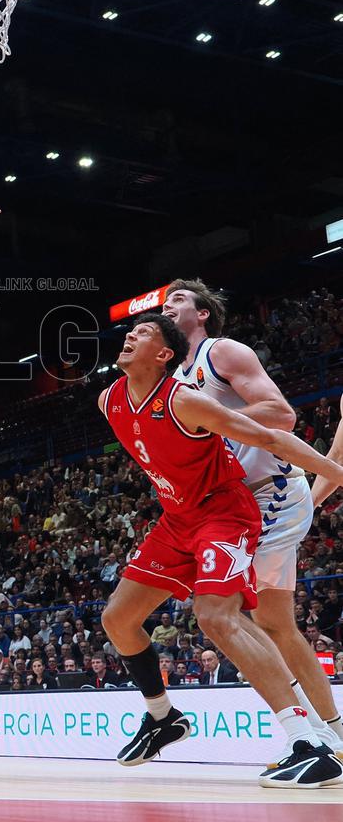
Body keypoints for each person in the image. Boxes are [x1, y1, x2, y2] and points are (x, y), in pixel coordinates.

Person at [99, 313, 343, 787]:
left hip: (224, 513)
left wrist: (337, 476)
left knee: (216, 615)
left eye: (144, 332)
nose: (130, 334)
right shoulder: (108, 400)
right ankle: (162, 718)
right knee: (118, 619)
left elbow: (272, 435)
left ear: (164, 355)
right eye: (132, 330)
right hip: (177, 518)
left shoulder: (186, 401)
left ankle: (309, 743)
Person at [164, 280, 343, 755]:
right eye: (165, 302)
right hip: (238, 502)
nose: (167, 306)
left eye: (178, 299)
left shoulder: (221, 352)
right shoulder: (175, 378)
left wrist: (211, 420)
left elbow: (281, 415)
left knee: (223, 613)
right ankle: (332, 731)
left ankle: (309, 736)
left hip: (271, 492)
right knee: (273, 625)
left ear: (203, 313)